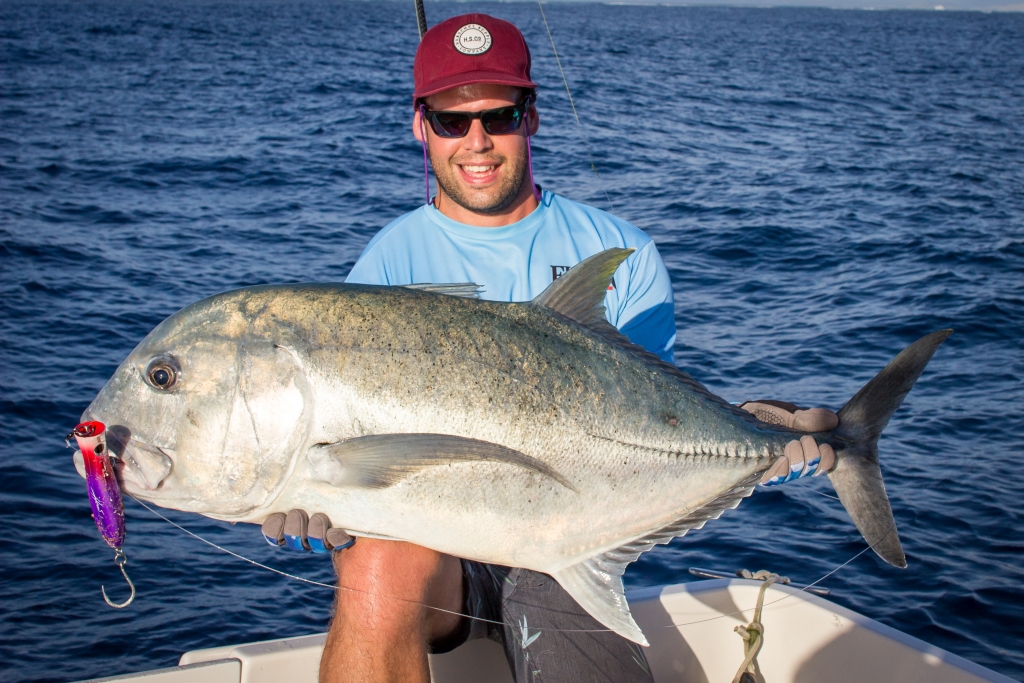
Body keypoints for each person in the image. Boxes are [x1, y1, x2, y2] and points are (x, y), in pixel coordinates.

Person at [260, 13, 838, 683]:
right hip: (433, 546)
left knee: (554, 597)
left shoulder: (621, 253)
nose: (477, 141)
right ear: (421, 126)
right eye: (451, 120)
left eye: (499, 116)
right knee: (375, 563)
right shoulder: (386, 265)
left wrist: (753, 426)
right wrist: (308, 488)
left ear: (531, 116)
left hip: (570, 530)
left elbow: (653, 426)